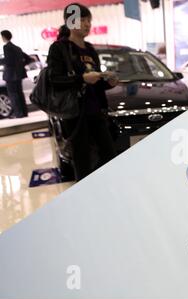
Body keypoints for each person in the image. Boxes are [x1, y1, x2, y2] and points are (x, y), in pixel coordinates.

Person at [47, 3, 119, 181]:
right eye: (82, 20)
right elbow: (54, 80)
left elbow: (96, 84)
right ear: (70, 22)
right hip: (75, 115)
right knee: (82, 160)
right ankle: (85, 198)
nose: (87, 24)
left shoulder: (90, 49)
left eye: (89, 20)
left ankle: (108, 191)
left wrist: (108, 83)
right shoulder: (60, 48)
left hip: (96, 112)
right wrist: (82, 79)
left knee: (109, 154)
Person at [0, 30, 33, 118]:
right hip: (19, 74)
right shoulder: (17, 48)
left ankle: (18, 113)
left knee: (13, 94)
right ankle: (24, 112)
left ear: (3, 37)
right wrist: (21, 66)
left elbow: (8, 60)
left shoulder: (6, 47)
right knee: (19, 93)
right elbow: (29, 59)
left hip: (11, 75)